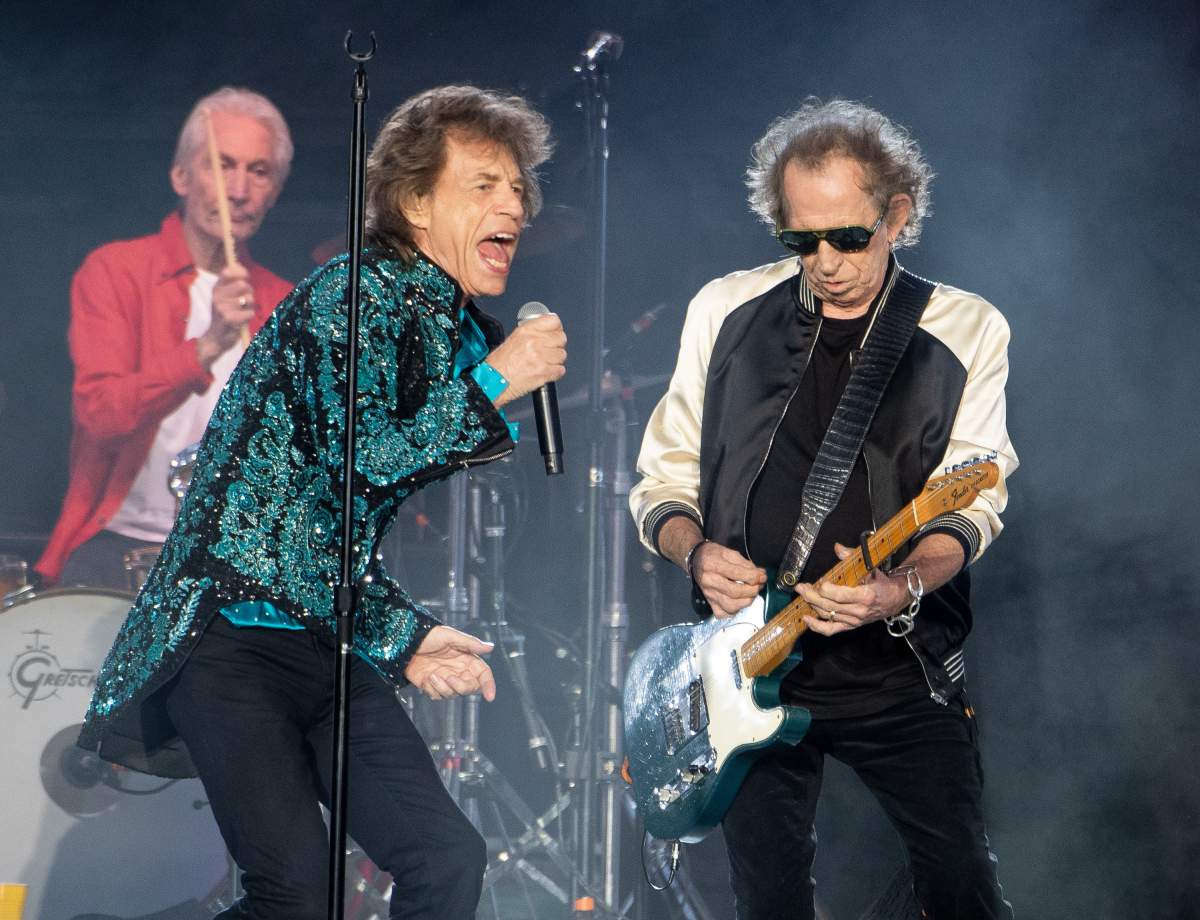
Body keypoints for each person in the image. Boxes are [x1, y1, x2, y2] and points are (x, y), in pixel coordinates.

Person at [77, 85, 566, 920]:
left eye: (518, 186)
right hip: (230, 640)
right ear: (414, 202)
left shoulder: (447, 326)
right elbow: (356, 468)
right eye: (483, 183)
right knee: (295, 896)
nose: (511, 202)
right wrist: (495, 383)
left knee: (446, 857)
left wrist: (403, 637)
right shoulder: (357, 292)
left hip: (326, 643)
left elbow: (328, 523)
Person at [629, 98, 1018, 919]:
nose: (827, 262)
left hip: (896, 667)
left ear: (898, 215)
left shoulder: (965, 328)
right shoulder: (723, 310)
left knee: (961, 887)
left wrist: (900, 586)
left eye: (849, 236)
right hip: (746, 663)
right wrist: (695, 553)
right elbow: (659, 484)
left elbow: (970, 509)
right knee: (768, 901)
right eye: (802, 240)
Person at [35, 87, 295, 590]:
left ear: (275, 192)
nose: (238, 189)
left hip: (235, 560)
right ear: (181, 176)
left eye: (258, 172)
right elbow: (99, 414)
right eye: (221, 165)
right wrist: (207, 346)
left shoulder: (287, 303)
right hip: (118, 547)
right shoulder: (116, 271)